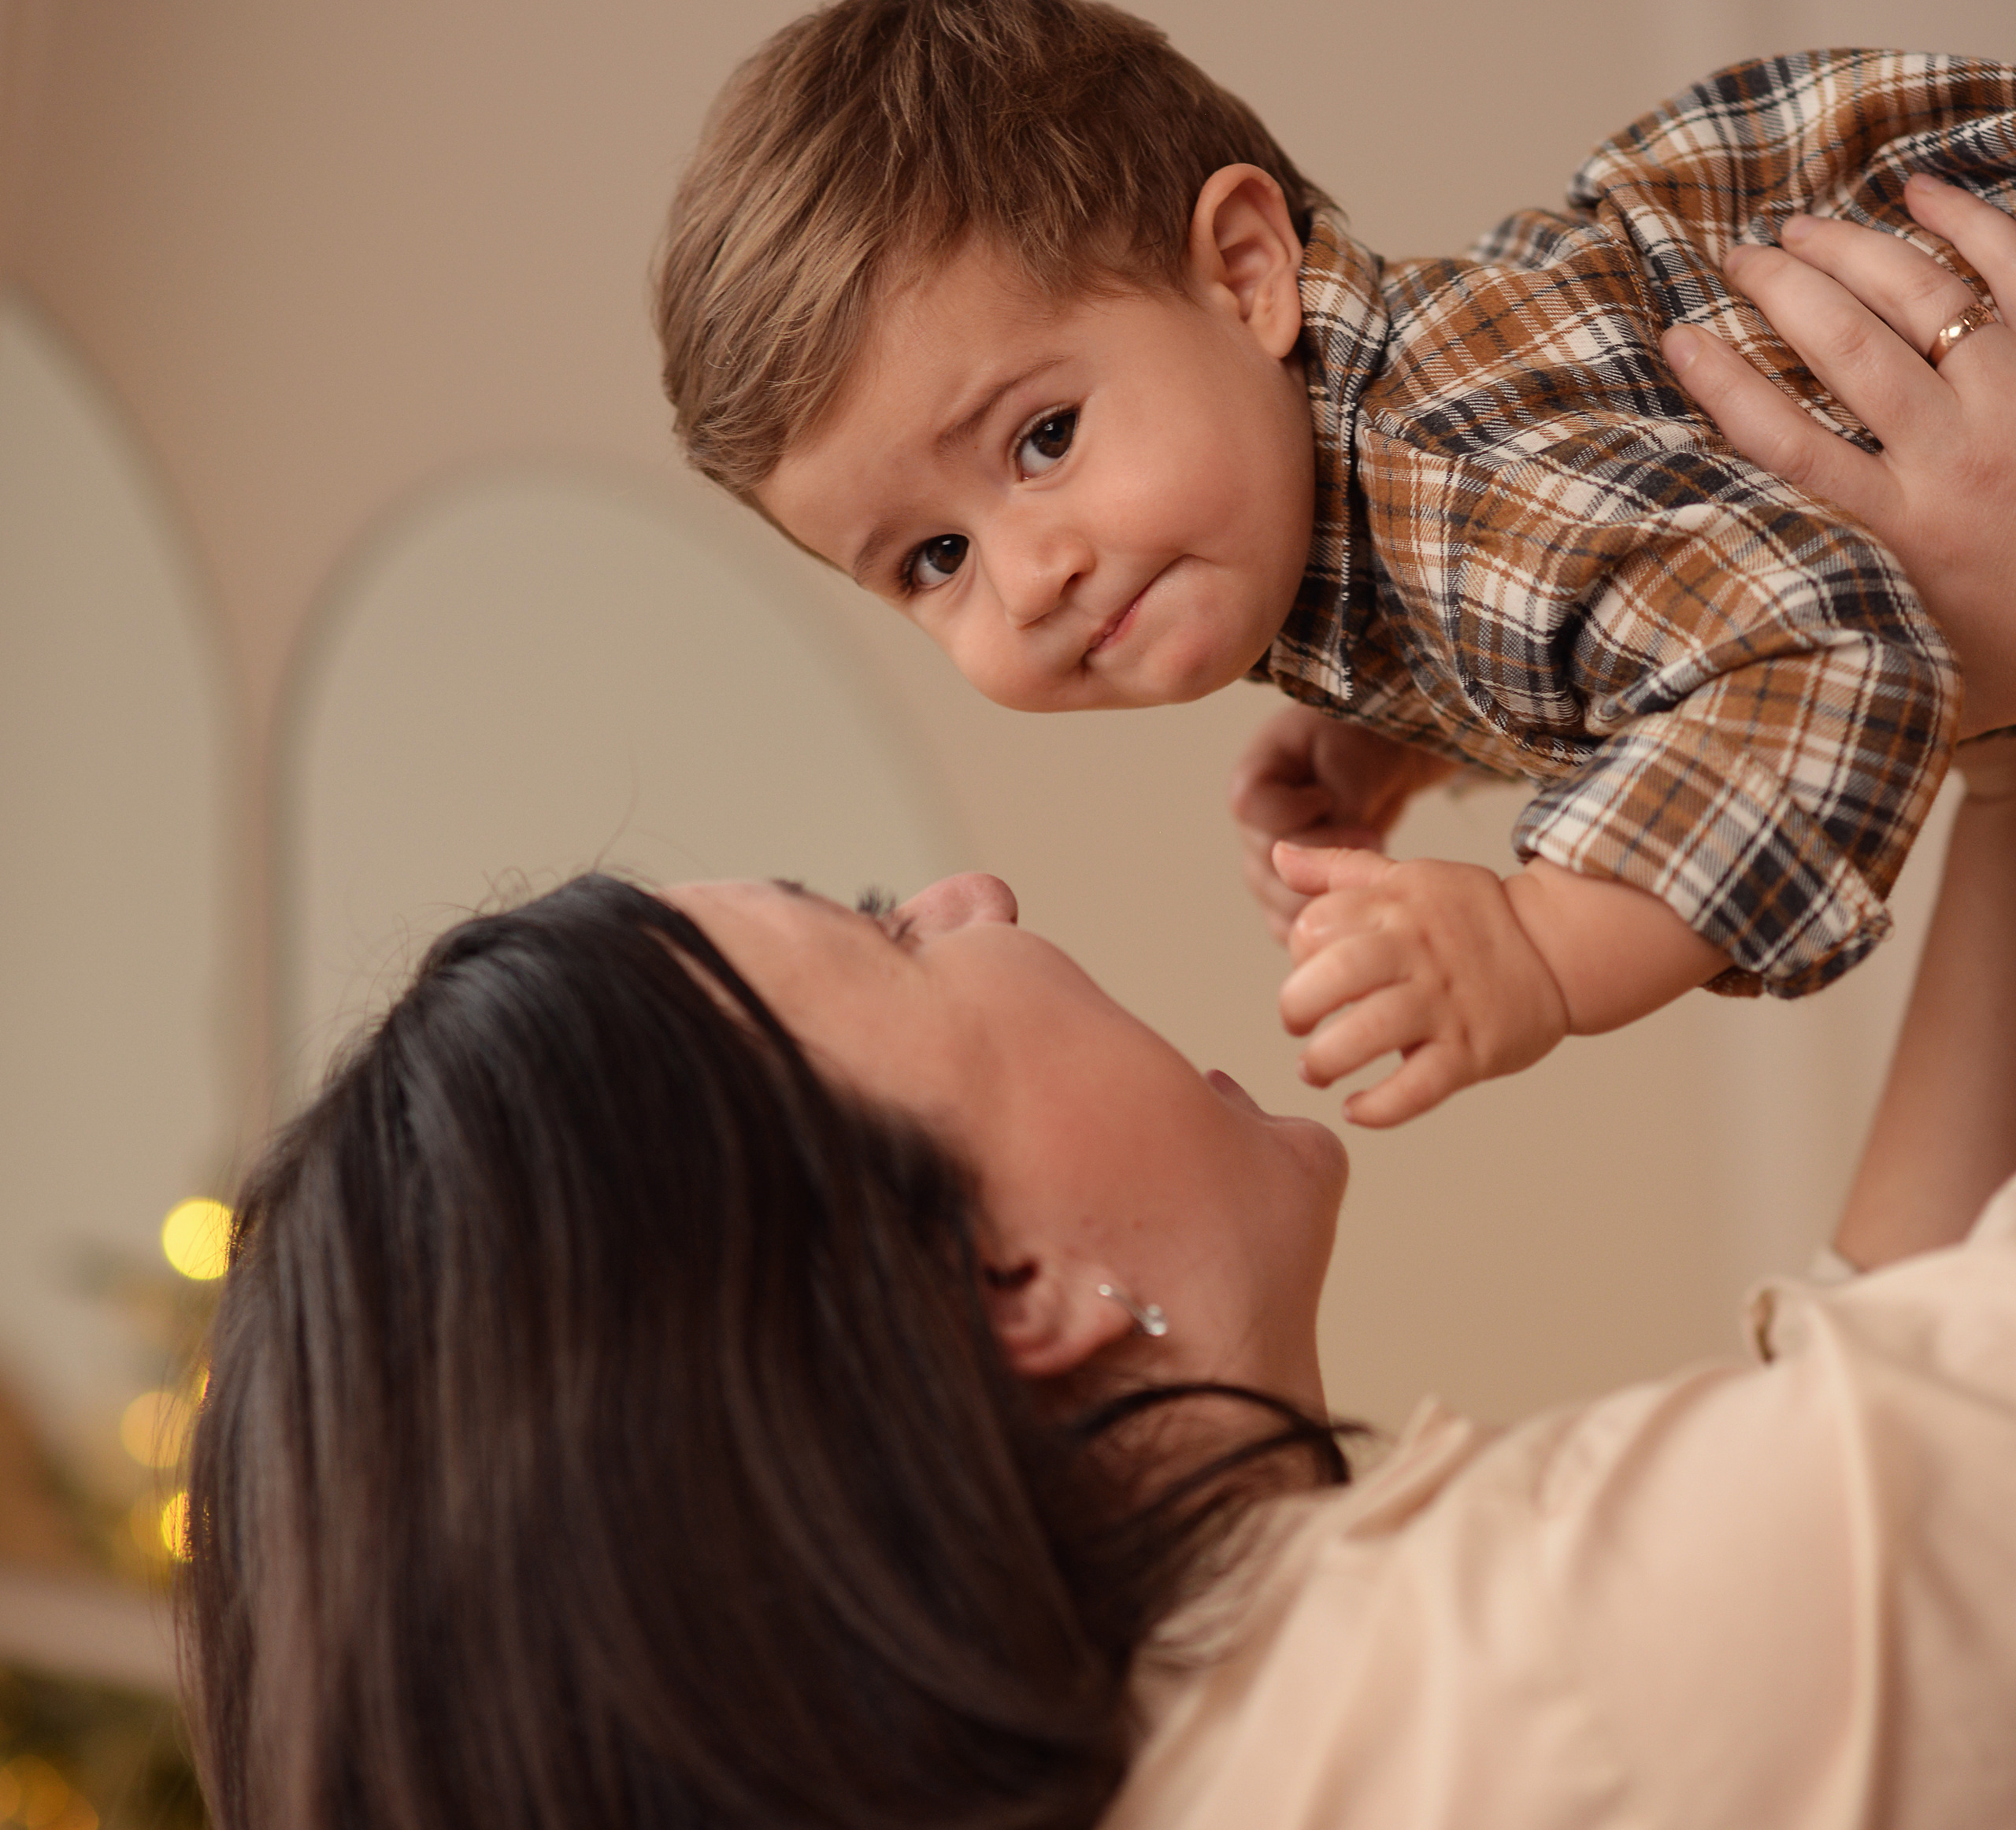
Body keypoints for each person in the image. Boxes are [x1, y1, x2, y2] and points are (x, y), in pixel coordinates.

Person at [184, 204, 2016, 1827]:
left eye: (1046, 440)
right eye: (888, 937)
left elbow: (1888, 1372)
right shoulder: (1494, 1696)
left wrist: (1996, 743)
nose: (974, 898)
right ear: (1005, 1293)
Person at [654, 0, 2016, 1127]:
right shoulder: (1368, 509)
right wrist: (1425, 733)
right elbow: (1657, 567)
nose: (1030, 575)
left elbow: (1818, 647)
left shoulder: (1445, 465)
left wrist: (1541, 946)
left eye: (1045, 436)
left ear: (1246, 273)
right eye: (932, 561)